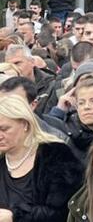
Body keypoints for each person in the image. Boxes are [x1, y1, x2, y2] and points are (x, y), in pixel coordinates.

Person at [0, 94, 83, 222]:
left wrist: (14, 216)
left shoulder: (56, 155)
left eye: (4, 129)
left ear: (25, 124)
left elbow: (63, 212)